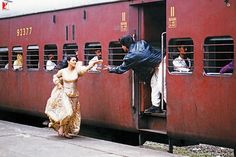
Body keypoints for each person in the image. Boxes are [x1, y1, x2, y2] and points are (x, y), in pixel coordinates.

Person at [45, 55, 102, 138]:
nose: (75, 62)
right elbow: (55, 77)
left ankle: (66, 132)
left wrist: (93, 64)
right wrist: (58, 84)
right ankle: (61, 126)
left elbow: (86, 68)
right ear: (68, 61)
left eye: (76, 60)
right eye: (73, 60)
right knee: (68, 112)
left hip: (74, 95)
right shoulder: (63, 71)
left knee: (72, 115)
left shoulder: (77, 71)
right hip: (65, 94)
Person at [107, 34, 163, 113]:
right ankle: (156, 106)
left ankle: (170, 106)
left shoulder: (131, 56)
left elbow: (121, 69)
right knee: (154, 83)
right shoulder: (141, 43)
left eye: (122, 45)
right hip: (159, 62)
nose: (122, 48)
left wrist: (110, 69)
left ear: (125, 45)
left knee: (161, 86)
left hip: (163, 63)